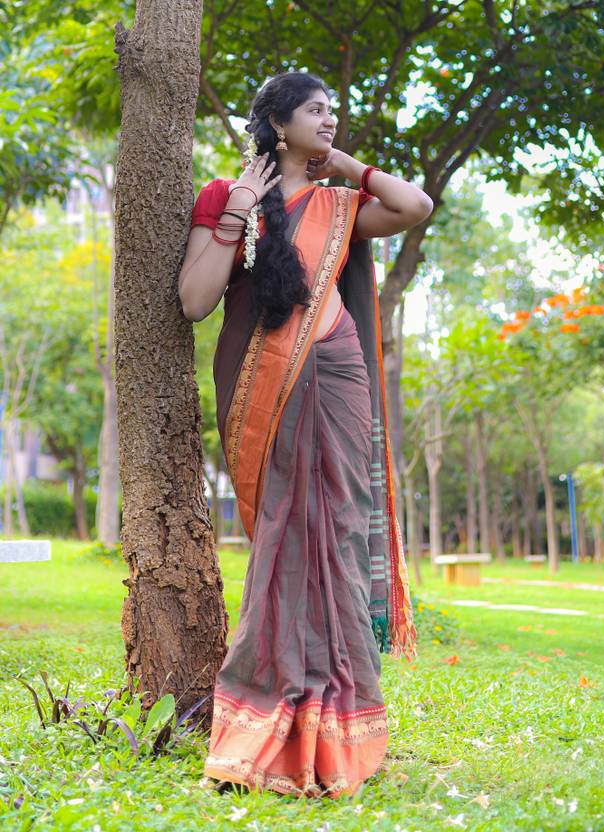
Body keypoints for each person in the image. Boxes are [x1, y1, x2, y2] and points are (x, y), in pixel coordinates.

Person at [178, 70, 433, 800]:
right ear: (278, 122)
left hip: (338, 376)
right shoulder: (225, 194)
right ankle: (264, 715)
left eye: (332, 111)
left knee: (338, 534)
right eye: (316, 111)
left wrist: (346, 164)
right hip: (263, 385)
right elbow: (194, 301)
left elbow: (415, 206)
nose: (329, 120)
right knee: (284, 539)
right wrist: (238, 214)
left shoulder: (338, 204)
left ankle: (341, 720)